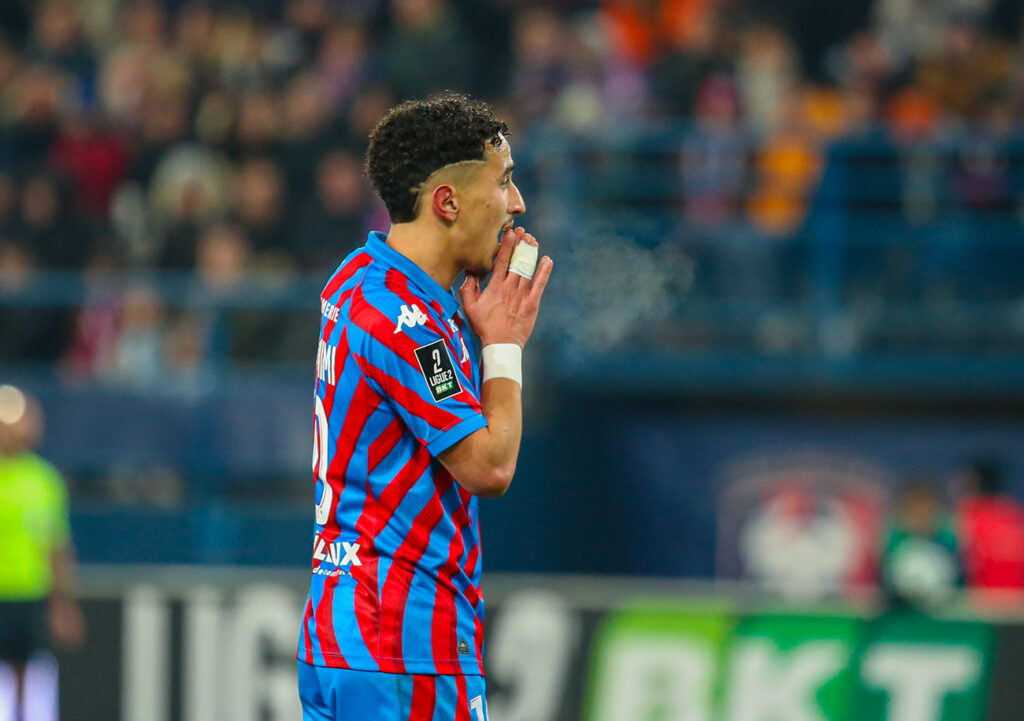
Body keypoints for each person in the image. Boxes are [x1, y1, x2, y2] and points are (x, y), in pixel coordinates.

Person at [296, 93, 553, 721]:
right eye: (504, 181)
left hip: (343, 637)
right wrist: (503, 348)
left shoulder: (359, 278)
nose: (516, 204)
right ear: (448, 202)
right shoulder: (406, 319)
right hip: (404, 646)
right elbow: (489, 466)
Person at [0, 385, 86, 720]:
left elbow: (56, 546)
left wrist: (63, 604)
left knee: (29, 675)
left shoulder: (44, 480)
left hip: (29, 594)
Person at [955, 457, 1024, 603]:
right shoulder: (1012, 510)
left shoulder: (969, 512)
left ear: (975, 483)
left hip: (987, 602)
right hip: (1012, 601)